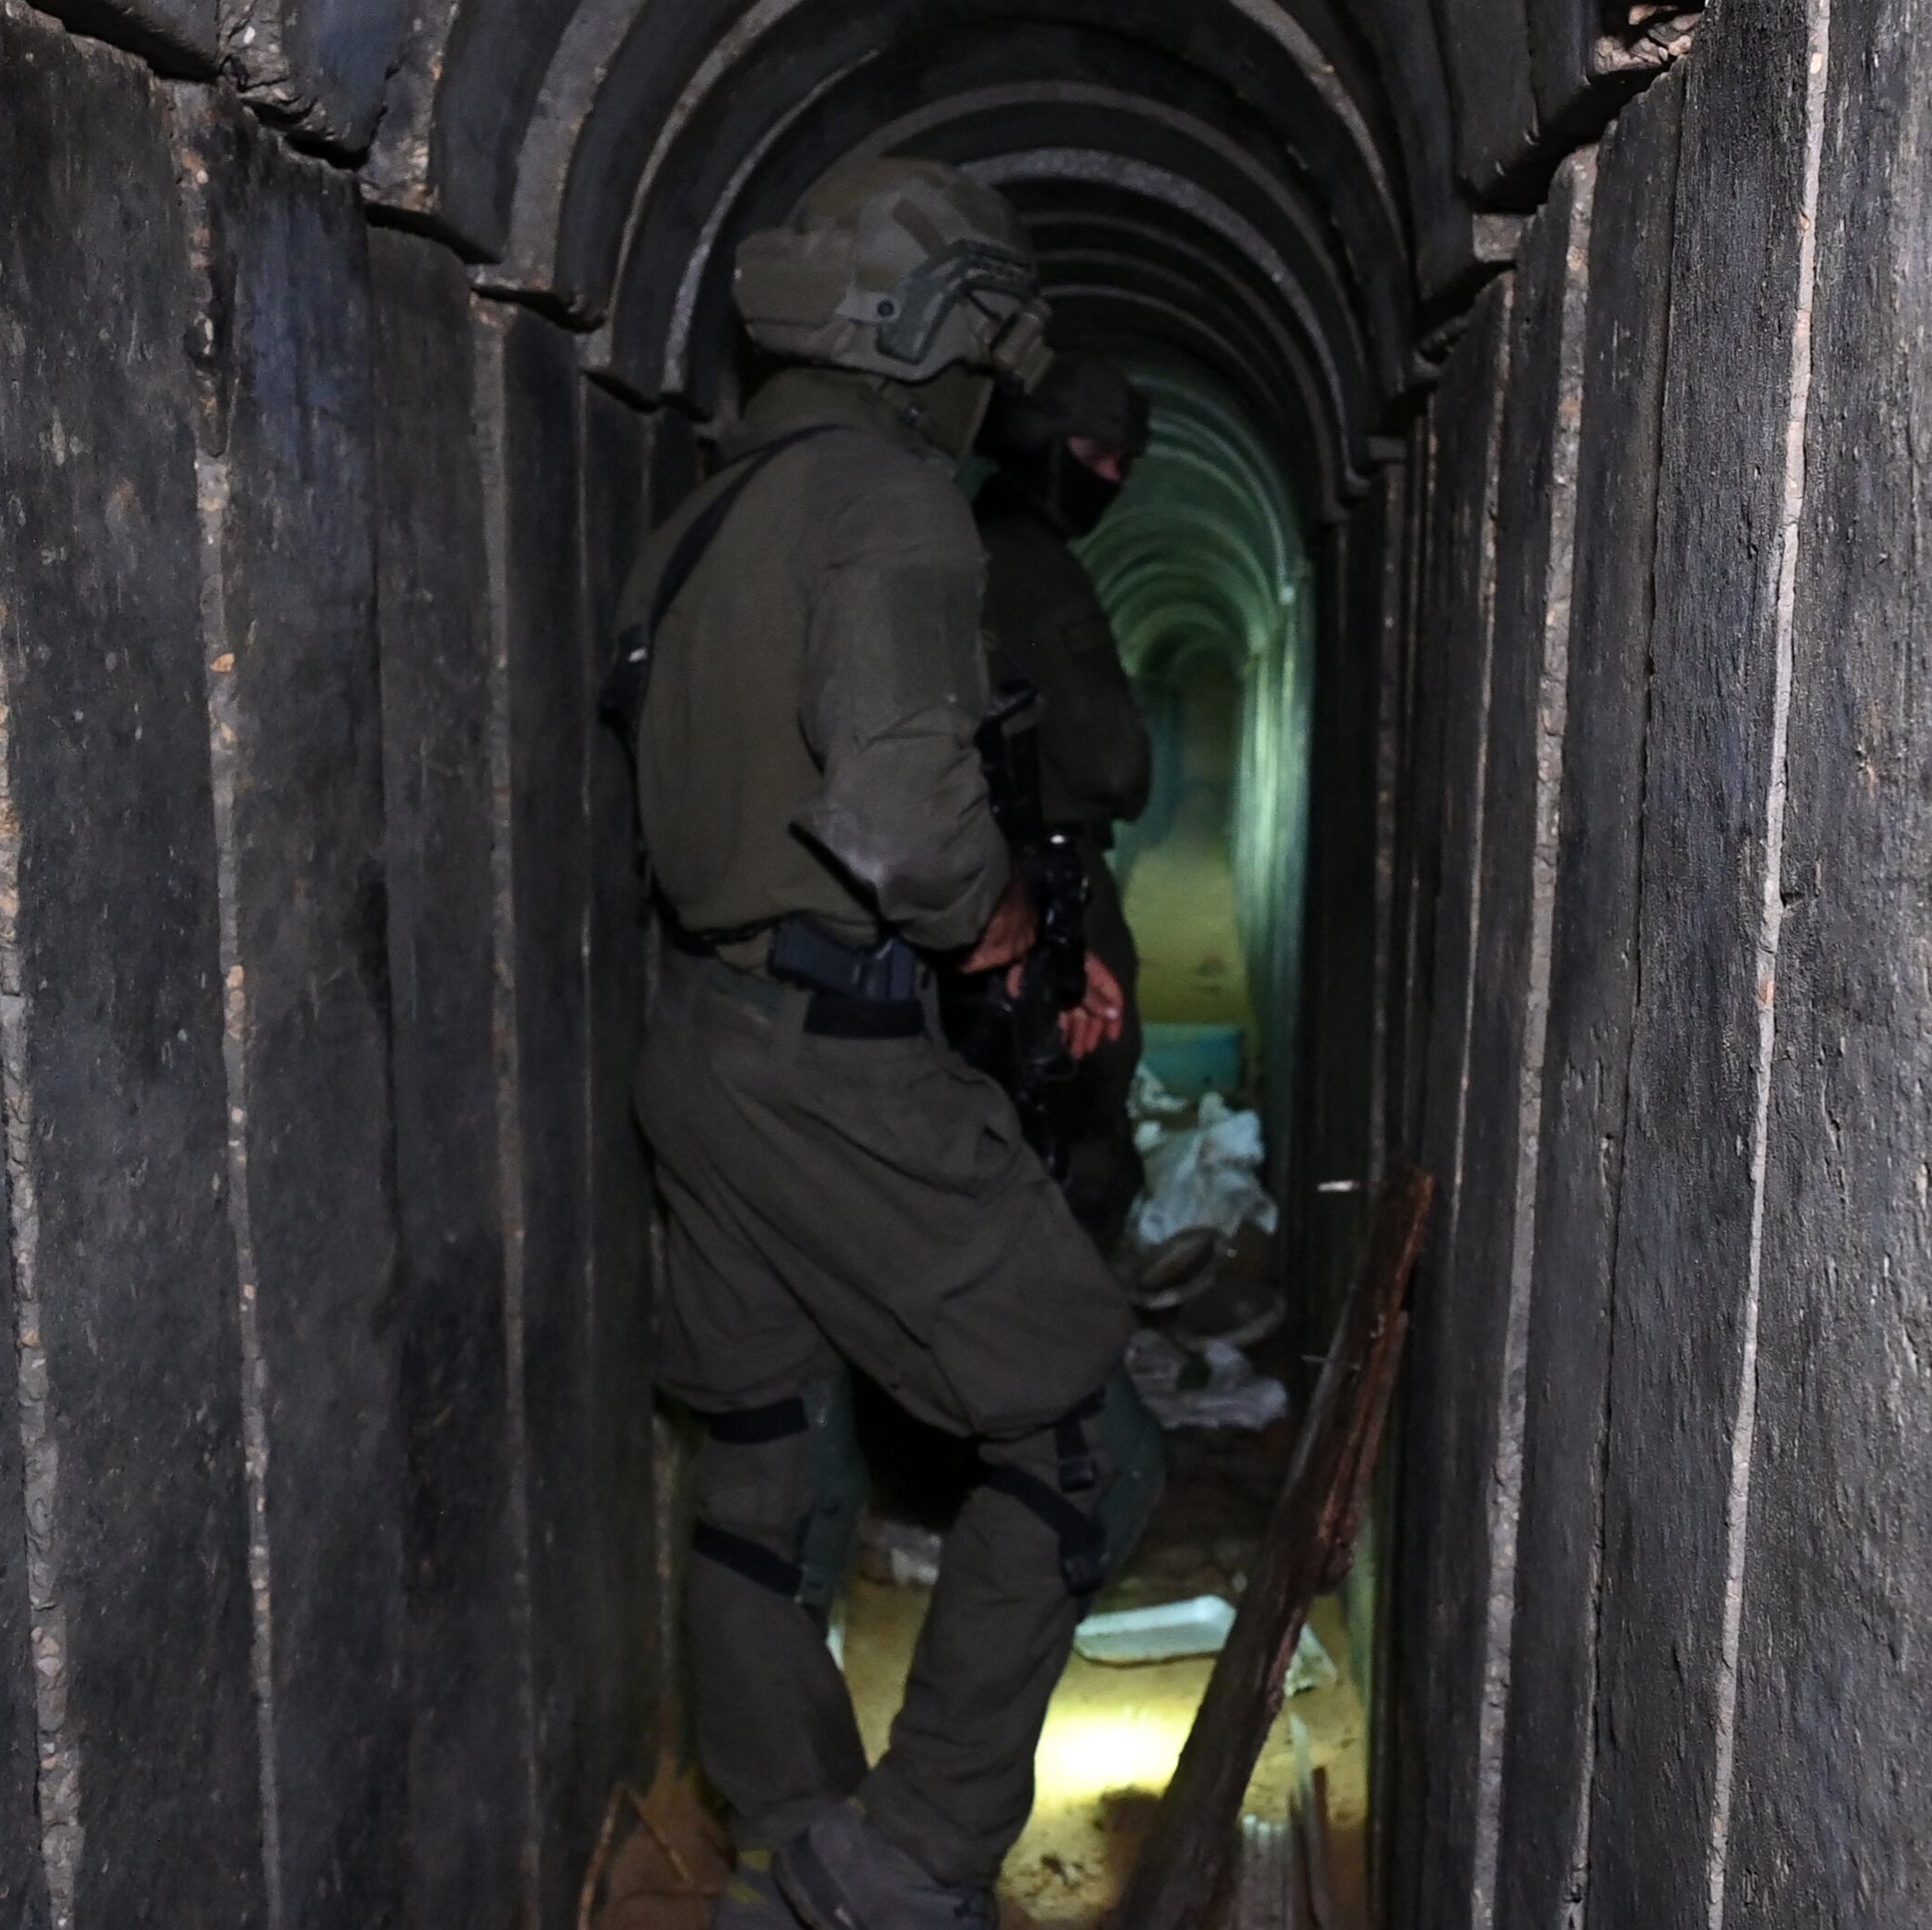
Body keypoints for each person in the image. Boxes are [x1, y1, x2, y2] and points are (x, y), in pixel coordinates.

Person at [618, 156, 1164, 1930]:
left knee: (765, 1454)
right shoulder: (891, 508)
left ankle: (784, 1824)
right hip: (833, 1067)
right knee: (1087, 1443)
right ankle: (905, 1863)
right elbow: (910, 820)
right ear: (932, 339)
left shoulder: (714, 507)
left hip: (702, 1041)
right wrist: (1011, 940)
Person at [969, 355, 1157, 1252]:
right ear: (1041, 450)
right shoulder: (1032, 566)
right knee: (1085, 1089)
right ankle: (1067, 1336)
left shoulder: (970, 541)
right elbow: (1113, 759)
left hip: (990, 864)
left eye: (1124, 462)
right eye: (1095, 453)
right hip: (1047, 868)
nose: (1111, 479)